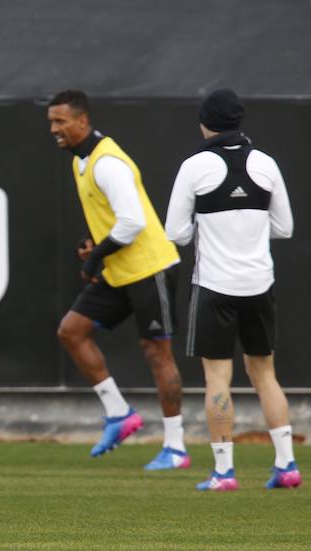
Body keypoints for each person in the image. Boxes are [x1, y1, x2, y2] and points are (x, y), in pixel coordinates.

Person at [165, 89, 299, 491]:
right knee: (265, 375)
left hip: (215, 286)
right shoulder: (266, 164)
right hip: (259, 284)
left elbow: (176, 232)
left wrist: (206, 232)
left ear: (205, 123)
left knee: (217, 378)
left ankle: (224, 472)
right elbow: (285, 228)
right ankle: (287, 465)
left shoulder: (195, 166)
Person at [48, 90, 189, 469]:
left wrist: (96, 256)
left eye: (60, 122)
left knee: (157, 353)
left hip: (150, 267)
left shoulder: (108, 162)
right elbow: (114, 220)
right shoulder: (81, 162)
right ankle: (119, 413)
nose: (54, 129)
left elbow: (133, 221)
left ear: (82, 121)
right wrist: (93, 244)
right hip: (120, 269)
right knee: (71, 331)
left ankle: (176, 447)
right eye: (51, 122)